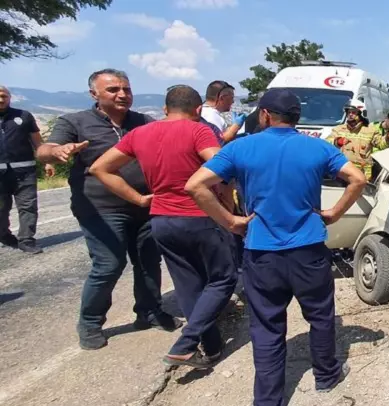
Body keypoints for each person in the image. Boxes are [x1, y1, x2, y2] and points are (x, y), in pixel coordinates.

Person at [185, 88, 367, 406]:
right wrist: (334, 213)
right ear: (297, 117)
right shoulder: (317, 147)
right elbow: (357, 178)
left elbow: (195, 186)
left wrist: (231, 222)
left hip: (262, 254)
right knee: (320, 316)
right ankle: (326, 376)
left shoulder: (240, 147)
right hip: (309, 251)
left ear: (265, 114)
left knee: (267, 327)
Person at [89, 85, 237, 369]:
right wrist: (228, 204)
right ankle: (185, 343)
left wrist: (138, 199)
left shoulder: (139, 133)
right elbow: (223, 166)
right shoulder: (198, 130)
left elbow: (99, 168)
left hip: (161, 220)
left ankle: (211, 347)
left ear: (165, 109)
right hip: (199, 218)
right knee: (223, 279)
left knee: (189, 285)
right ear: (197, 110)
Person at [36, 69, 180, 350]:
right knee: (109, 264)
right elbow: (44, 148)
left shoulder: (143, 122)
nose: (122, 94)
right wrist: (56, 151)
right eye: (113, 90)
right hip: (100, 208)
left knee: (148, 261)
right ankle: (90, 322)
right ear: (94, 94)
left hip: (144, 204)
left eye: (126, 89)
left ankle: (149, 311)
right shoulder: (75, 121)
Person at [0, 85, 44, 254]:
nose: (1, 99)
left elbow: (37, 142)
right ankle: (4, 235)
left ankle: (27, 240)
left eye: (4, 96)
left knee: (28, 206)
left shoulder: (24, 116)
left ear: (9, 97)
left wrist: (47, 162)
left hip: (25, 171)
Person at [326, 100, 379, 179]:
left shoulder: (371, 130)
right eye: (349, 112)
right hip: (343, 173)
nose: (350, 114)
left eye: (353, 112)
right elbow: (326, 143)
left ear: (361, 114)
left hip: (362, 176)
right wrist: (337, 141)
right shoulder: (339, 129)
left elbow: (382, 144)